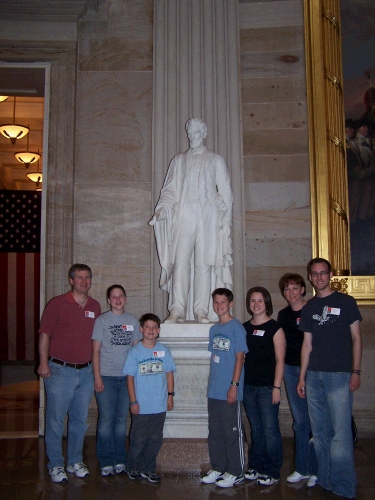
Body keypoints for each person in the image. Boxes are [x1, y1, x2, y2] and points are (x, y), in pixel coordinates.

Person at [149, 118, 233, 324]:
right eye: (190, 133)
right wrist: (160, 211)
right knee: (180, 263)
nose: (192, 137)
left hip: (207, 219)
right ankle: (177, 308)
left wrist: (226, 225)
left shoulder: (216, 160)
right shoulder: (178, 161)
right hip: (184, 216)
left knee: (203, 265)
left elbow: (226, 193)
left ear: (204, 134)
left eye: (196, 133)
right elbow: (169, 190)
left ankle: (201, 310)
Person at [297, 258, 362, 500]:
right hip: (314, 376)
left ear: (331, 274)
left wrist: (355, 371)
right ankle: (325, 479)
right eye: (314, 274)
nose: (319, 277)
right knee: (320, 433)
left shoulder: (346, 302)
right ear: (310, 278)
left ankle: (344, 485)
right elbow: (307, 345)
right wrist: (302, 378)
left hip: (339, 376)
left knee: (340, 434)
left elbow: (356, 338)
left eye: (323, 273)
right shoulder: (309, 307)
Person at [37, 264, 101, 483]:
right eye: (80, 277)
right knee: (55, 420)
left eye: (87, 277)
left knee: (79, 420)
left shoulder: (95, 306)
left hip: (85, 372)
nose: (84, 281)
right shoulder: (57, 304)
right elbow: (44, 335)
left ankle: (74, 460)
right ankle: (55, 464)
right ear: (71, 280)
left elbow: (96, 340)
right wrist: (43, 364)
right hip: (59, 370)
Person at [92, 285, 142, 476]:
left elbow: (137, 351)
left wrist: (136, 379)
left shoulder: (132, 321)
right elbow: (95, 351)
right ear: (108, 300)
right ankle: (105, 459)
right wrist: (97, 376)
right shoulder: (102, 321)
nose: (118, 299)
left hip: (126, 378)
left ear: (126, 298)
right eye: (114, 296)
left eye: (121, 296)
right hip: (106, 376)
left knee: (121, 420)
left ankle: (120, 459)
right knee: (106, 419)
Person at [200, 288, 248, 489]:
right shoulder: (213, 329)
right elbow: (216, 358)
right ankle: (219, 467)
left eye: (223, 302)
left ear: (230, 304)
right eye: (216, 302)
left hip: (230, 389)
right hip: (215, 389)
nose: (219, 306)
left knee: (232, 431)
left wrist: (234, 385)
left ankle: (236, 471)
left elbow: (239, 357)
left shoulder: (237, 328)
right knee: (215, 431)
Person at [122, 313, 176, 483]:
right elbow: (130, 377)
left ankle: (148, 468)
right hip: (141, 406)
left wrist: (170, 396)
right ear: (141, 329)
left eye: (154, 327)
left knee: (155, 439)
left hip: (159, 405)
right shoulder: (135, 352)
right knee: (138, 439)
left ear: (158, 330)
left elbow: (169, 374)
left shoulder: (163, 351)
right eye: (147, 327)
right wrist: (133, 401)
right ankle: (133, 467)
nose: (151, 330)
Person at [242, 287, 286, 486]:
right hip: (249, 387)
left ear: (267, 303)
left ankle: (272, 469)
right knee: (256, 428)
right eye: (253, 300)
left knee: (270, 429)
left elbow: (280, 360)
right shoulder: (244, 328)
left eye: (260, 300)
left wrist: (277, 388)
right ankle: (256, 465)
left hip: (268, 387)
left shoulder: (274, 328)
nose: (256, 304)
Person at [277, 273, 317, 487]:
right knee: (300, 421)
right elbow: (281, 346)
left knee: (317, 420)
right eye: (286, 289)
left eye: (294, 288)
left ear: (303, 289)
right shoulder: (283, 315)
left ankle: (317, 469)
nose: (290, 292)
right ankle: (302, 468)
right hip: (291, 371)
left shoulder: (312, 310)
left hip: (313, 370)